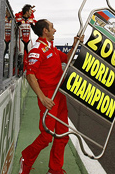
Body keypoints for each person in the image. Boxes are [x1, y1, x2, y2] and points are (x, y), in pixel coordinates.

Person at [19, 19, 83, 174]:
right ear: (45, 31)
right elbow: (30, 75)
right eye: (52, 27)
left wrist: (75, 44)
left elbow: (66, 59)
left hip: (59, 94)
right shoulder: (37, 50)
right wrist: (42, 97)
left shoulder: (51, 48)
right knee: (47, 136)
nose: (55, 30)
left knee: (62, 135)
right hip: (48, 96)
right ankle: (26, 159)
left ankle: (55, 170)